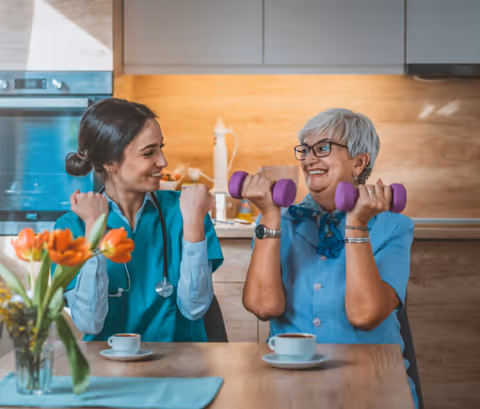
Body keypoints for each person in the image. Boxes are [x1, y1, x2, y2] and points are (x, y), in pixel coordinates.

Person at [242, 108, 418, 408]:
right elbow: (262, 306)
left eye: (322, 149)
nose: (309, 160)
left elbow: (365, 315)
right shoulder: (280, 222)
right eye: (305, 150)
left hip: (373, 387)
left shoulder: (394, 226)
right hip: (292, 387)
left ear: (359, 162)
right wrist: (269, 216)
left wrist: (357, 224)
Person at [54, 98, 223, 342]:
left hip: (182, 367)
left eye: (161, 147)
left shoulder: (186, 209)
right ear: (110, 163)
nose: (163, 161)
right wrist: (94, 230)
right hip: (109, 369)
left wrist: (194, 222)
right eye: (149, 153)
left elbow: (195, 308)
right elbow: (89, 322)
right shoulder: (71, 227)